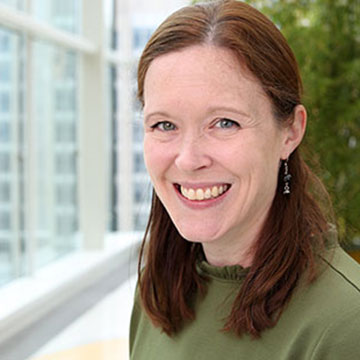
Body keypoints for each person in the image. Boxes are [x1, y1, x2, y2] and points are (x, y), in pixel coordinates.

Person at [129, 1, 360, 359]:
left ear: (290, 131)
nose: (189, 159)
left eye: (224, 123)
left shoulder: (347, 323)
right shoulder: (156, 293)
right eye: (164, 125)